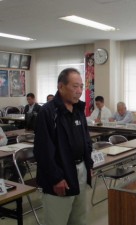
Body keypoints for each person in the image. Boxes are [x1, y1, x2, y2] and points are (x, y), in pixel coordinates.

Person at [33, 68, 94, 225]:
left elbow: (86, 140)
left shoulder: (79, 110)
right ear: (61, 86)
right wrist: (56, 178)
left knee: (79, 218)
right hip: (60, 176)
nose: (79, 91)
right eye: (75, 86)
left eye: (81, 86)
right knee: (57, 220)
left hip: (80, 170)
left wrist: (89, 165)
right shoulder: (48, 112)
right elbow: (43, 150)